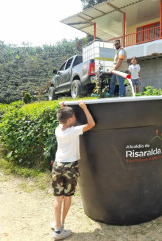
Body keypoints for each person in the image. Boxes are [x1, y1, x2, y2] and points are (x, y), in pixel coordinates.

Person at [51, 100, 95, 240]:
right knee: (67, 196)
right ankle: (60, 227)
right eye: (74, 117)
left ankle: (57, 226)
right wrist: (84, 107)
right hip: (70, 166)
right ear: (70, 120)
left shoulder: (59, 129)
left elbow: (61, 120)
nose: (76, 118)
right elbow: (91, 124)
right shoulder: (73, 131)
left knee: (58, 198)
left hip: (57, 165)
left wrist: (62, 107)